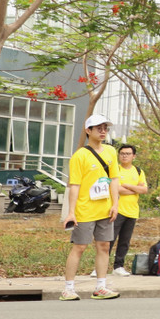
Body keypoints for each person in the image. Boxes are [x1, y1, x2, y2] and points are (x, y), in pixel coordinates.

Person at [61, 114, 120, 301]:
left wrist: (115, 204)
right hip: (85, 210)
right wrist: (71, 212)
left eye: (105, 128)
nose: (103, 131)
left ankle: (101, 286)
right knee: (79, 247)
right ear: (88, 131)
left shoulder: (111, 152)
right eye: (98, 128)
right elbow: (75, 185)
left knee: (104, 246)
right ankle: (68, 288)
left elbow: (114, 179)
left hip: (105, 208)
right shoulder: (80, 156)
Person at [110, 143, 147, 276]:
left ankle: (118, 266)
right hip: (116, 210)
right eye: (122, 154)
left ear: (133, 156)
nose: (124, 156)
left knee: (124, 241)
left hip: (132, 211)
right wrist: (134, 188)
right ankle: (99, 267)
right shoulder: (115, 170)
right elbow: (116, 189)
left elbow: (144, 189)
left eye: (127, 154)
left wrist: (126, 185)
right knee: (109, 240)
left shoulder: (138, 171)